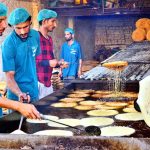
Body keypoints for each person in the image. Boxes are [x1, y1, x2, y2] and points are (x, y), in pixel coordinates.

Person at [0, 3, 40, 119]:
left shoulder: (35, 36)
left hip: (33, 90)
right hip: (16, 96)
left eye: (25, 27)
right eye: (18, 28)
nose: (22, 32)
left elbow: (34, 61)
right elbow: (9, 76)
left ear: (30, 23)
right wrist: (19, 94)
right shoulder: (8, 44)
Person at [36, 9, 68, 99]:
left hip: (48, 83)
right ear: (44, 21)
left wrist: (59, 64)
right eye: (53, 21)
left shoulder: (49, 39)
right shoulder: (35, 38)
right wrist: (49, 63)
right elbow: (30, 62)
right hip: (37, 83)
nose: (55, 25)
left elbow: (51, 60)